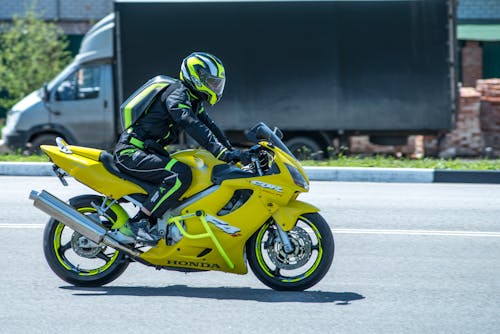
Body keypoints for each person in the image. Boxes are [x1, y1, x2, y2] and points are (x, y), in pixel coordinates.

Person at [113, 52, 250, 244]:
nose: (215, 87)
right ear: (196, 77)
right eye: (211, 82)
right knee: (180, 174)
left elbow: (210, 127)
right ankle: (139, 223)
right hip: (131, 153)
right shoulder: (176, 93)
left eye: (217, 83)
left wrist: (234, 153)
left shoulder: (193, 100)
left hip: (146, 153)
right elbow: (191, 123)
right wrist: (221, 152)